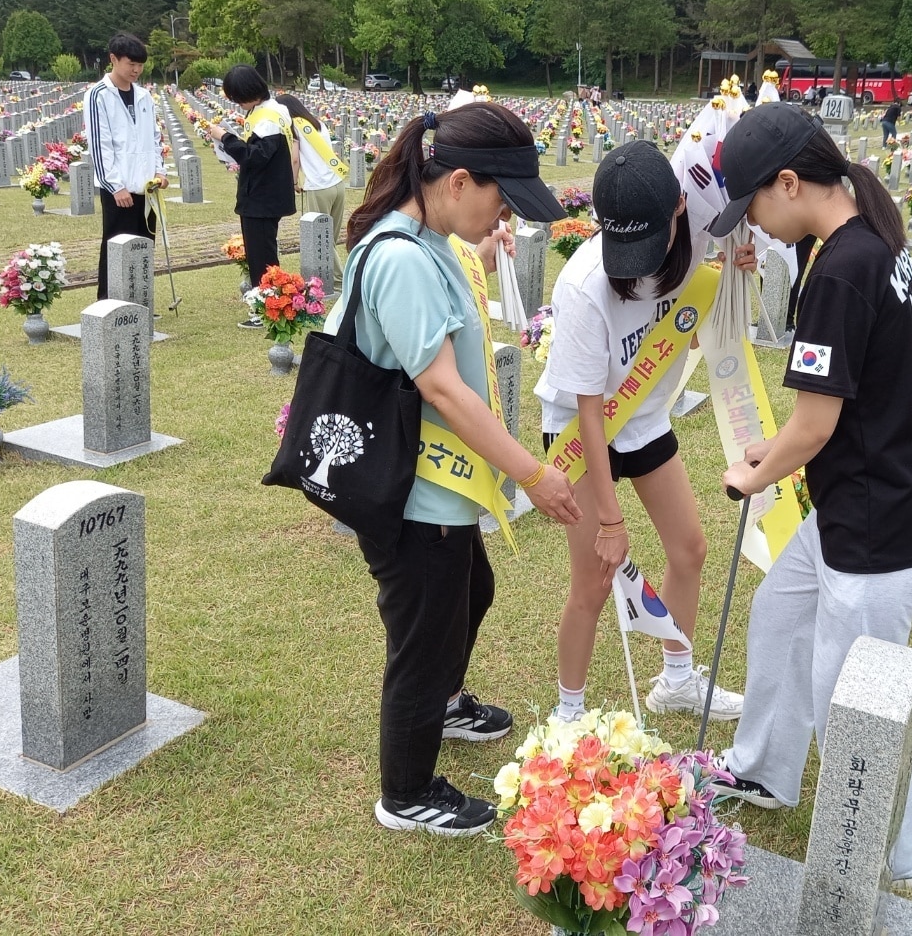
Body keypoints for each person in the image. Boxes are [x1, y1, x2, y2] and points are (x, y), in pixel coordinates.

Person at [702, 102, 912, 894]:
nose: (754, 226)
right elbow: (841, 402)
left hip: (878, 524)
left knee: (858, 700)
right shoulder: (860, 244)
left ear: (788, 182)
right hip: (855, 502)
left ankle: (893, 861)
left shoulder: (843, 268)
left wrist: (754, 474)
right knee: (780, 615)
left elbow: (815, 423)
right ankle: (763, 769)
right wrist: (772, 451)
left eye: (753, 207)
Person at [326, 102, 582, 836]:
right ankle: (407, 792)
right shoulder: (402, 257)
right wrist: (532, 474)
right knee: (425, 637)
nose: (505, 216)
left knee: (471, 591)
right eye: (502, 199)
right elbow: (441, 387)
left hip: (443, 484)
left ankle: (441, 702)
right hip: (415, 493)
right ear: (459, 180)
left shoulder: (430, 238)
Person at [535, 141, 755, 725]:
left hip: (645, 414)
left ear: (679, 206)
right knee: (594, 580)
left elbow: (699, 318)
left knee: (690, 548)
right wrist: (611, 521)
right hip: (581, 431)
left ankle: (677, 679)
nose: (633, 263)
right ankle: (569, 714)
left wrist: (739, 270)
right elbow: (589, 411)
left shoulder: (701, 232)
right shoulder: (583, 285)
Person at [205, 66, 296, 327]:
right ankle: (268, 304)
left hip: (262, 198)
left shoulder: (268, 118)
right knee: (261, 253)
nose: (237, 102)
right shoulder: (270, 110)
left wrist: (225, 137)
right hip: (262, 196)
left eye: (237, 97)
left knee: (262, 257)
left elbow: (255, 157)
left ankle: (267, 309)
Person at [85, 32, 168, 301]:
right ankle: (109, 303)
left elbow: (154, 138)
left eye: (140, 65)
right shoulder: (98, 95)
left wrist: (160, 171)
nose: (136, 70)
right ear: (113, 59)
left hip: (146, 188)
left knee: (143, 246)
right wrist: (115, 186)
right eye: (131, 64)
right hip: (118, 190)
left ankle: (139, 302)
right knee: (116, 246)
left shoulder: (144, 96)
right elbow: (100, 145)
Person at [274, 93, 348, 239]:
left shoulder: (293, 127)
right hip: (337, 182)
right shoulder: (318, 123)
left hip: (318, 186)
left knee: (318, 240)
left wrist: (294, 182)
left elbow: (295, 159)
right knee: (330, 239)